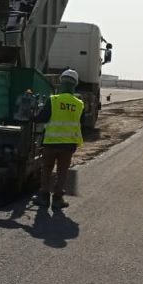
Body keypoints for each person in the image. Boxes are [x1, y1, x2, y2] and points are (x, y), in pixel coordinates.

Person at [33, 68, 84, 210]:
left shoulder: (53, 100)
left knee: (47, 168)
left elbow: (41, 118)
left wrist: (32, 116)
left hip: (51, 142)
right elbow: (81, 122)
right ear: (75, 84)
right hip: (68, 145)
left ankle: (43, 197)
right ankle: (57, 199)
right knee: (62, 171)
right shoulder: (79, 103)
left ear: (61, 82)